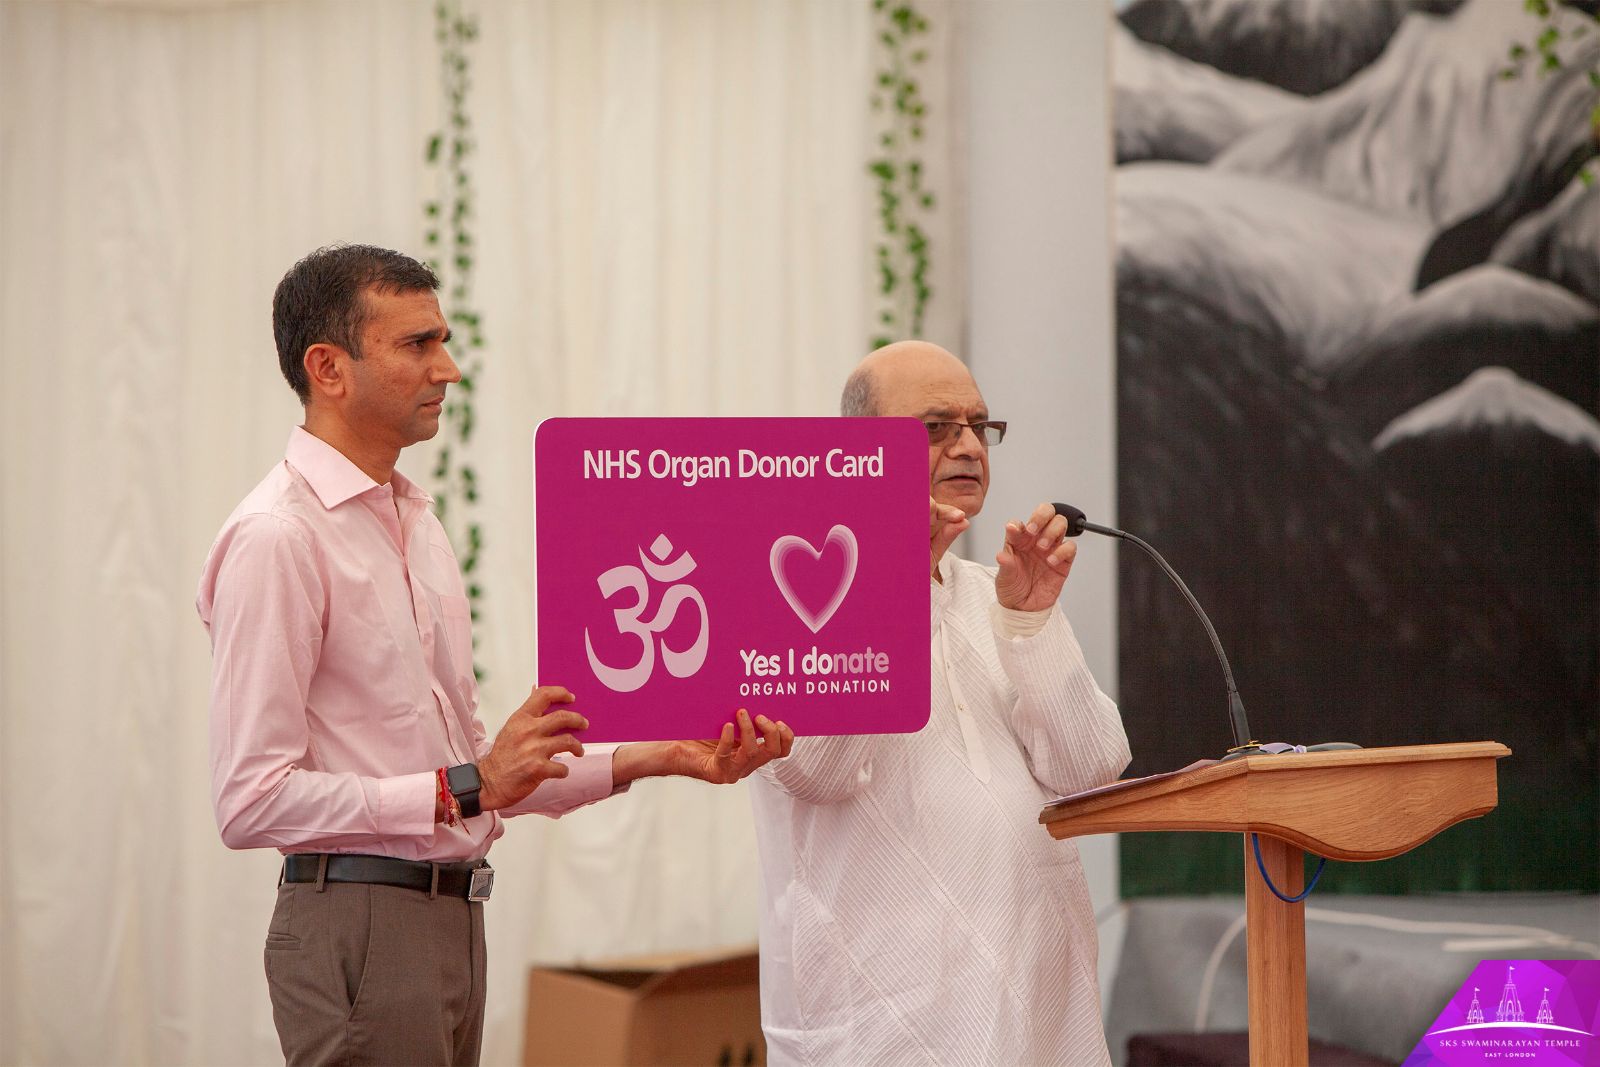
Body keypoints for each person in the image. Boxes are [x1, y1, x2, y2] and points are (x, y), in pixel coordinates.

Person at [197, 244, 793, 1066]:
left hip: (453, 917)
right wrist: (464, 786)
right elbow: (250, 800)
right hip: (361, 925)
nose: (449, 367)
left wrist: (662, 755)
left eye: (443, 338)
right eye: (418, 344)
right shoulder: (278, 536)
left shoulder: (416, 523)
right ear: (328, 368)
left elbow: (489, 777)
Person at [748, 340, 1131, 1065]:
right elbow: (814, 771)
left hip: (1040, 1017)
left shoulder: (1000, 591)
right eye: (936, 427)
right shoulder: (784, 599)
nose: (967, 446)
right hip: (887, 1026)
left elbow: (1094, 768)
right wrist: (891, 579)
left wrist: (1031, 624)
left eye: (978, 426)